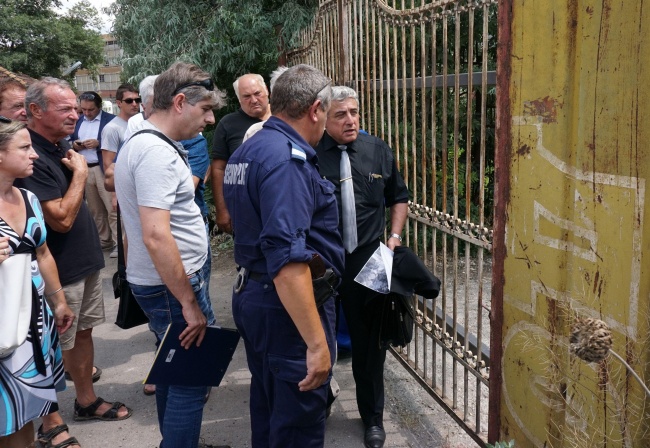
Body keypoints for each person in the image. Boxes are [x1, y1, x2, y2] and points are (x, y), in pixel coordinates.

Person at [223, 64, 344, 448]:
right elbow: (288, 259)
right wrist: (317, 344)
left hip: (258, 298)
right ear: (314, 110)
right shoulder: (286, 161)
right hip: (286, 307)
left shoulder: (250, 149)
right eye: (327, 112)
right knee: (297, 424)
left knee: (269, 407)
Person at [114, 62, 227, 448]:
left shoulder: (147, 141)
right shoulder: (155, 152)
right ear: (180, 102)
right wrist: (188, 303)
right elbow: (156, 235)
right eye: (205, 109)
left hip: (162, 282)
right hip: (172, 287)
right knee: (191, 379)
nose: (210, 120)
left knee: (172, 369)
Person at [14, 77, 132, 424]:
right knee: (54, 345)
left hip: (83, 263)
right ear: (36, 110)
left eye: (75, 108)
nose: (75, 114)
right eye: (65, 108)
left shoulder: (58, 142)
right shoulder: (29, 155)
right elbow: (60, 220)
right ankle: (51, 423)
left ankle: (86, 400)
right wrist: (81, 172)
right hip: (58, 272)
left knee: (83, 334)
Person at [314, 86, 409, 448]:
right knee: (316, 339)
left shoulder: (376, 150)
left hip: (367, 263)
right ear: (322, 116)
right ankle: (318, 404)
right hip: (321, 264)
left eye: (354, 112)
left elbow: (398, 197)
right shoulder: (309, 154)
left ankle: (372, 419)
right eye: (341, 114)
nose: (351, 120)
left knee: (370, 349)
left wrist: (394, 238)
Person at [0, 117, 77, 448]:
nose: (34, 154)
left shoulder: (28, 197)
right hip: (3, 327)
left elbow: (42, 253)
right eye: (25, 147)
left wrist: (59, 302)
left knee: (26, 412)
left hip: (34, 326)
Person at [210, 73, 271, 234]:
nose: (254, 100)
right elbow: (218, 168)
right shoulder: (228, 124)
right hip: (245, 211)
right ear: (239, 99)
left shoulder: (285, 118)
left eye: (257, 93)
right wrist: (222, 210)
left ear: (267, 91)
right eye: (246, 96)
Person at [69, 91, 117, 252]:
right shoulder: (77, 120)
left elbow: (120, 142)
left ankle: (120, 243)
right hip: (85, 169)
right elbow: (68, 139)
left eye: (91, 110)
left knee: (112, 209)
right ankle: (104, 241)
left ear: (99, 107)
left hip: (104, 168)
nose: (87, 113)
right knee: (95, 210)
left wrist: (99, 142)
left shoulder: (111, 121)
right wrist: (75, 145)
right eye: (83, 110)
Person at [100, 84, 141, 257]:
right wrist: (115, 193)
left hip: (138, 183)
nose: (135, 104)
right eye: (129, 100)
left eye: (138, 100)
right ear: (118, 103)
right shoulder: (112, 128)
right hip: (122, 185)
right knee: (122, 221)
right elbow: (108, 164)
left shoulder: (140, 123)